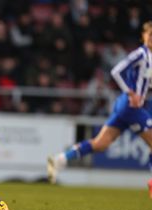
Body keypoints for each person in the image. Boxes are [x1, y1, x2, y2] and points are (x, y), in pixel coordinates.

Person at [47, 21, 152, 197]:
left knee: (100, 144)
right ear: (144, 36)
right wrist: (130, 92)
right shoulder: (141, 54)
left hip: (127, 107)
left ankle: (60, 160)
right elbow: (116, 71)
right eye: (150, 35)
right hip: (129, 106)